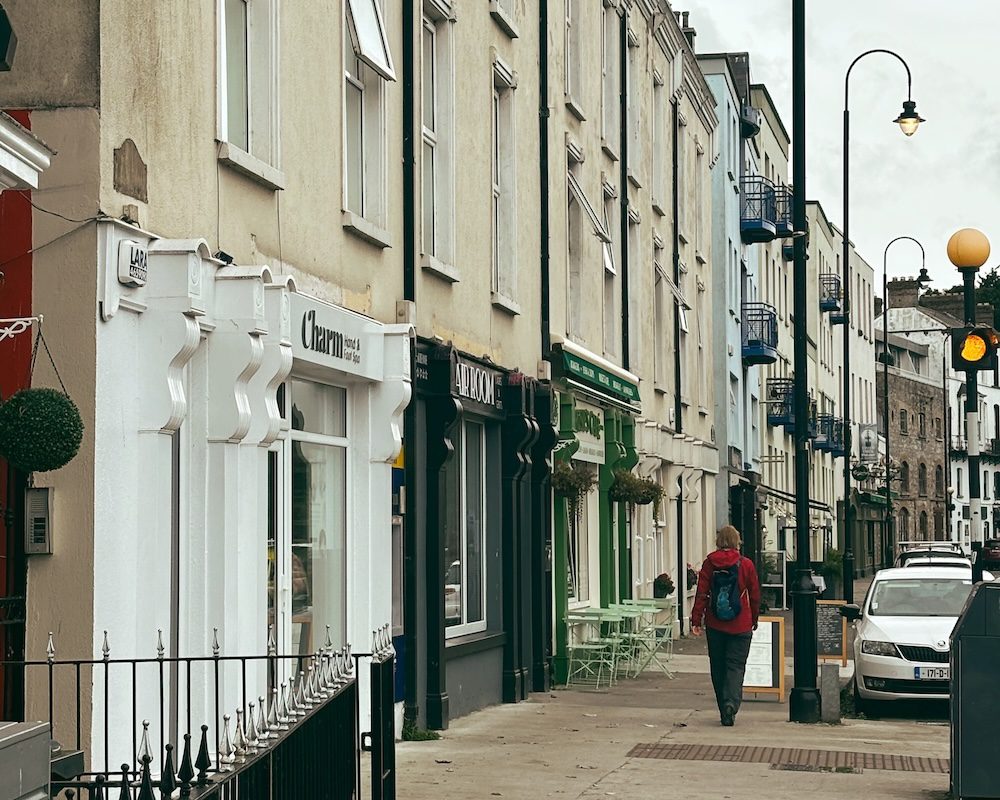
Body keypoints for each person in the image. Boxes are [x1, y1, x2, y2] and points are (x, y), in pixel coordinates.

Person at [689, 525, 761, 727]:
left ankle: (723, 707)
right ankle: (731, 704)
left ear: (719, 541)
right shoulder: (745, 564)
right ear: (737, 541)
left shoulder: (709, 563)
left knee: (718, 666)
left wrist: (696, 620)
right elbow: (754, 596)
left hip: (715, 624)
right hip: (741, 625)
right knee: (736, 667)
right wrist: (754, 618)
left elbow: (702, 593)